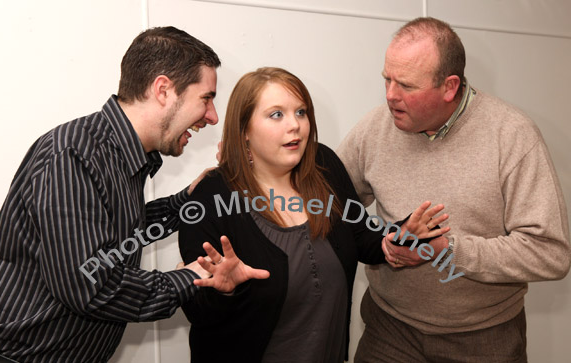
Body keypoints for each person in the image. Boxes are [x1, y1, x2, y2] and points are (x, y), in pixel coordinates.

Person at [0, 26, 269, 363]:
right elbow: (91, 286)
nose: (213, 117)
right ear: (163, 90)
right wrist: (195, 277)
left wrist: (191, 198)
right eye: (206, 98)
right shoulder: (72, 154)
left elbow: (120, 237)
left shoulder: (115, 156)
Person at [337, 17, 571, 363]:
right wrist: (385, 239)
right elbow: (331, 204)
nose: (390, 96)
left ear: (449, 87)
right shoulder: (374, 129)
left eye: (406, 85)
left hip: (484, 338)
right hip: (389, 331)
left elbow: (550, 253)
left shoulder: (513, 136)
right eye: (387, 79)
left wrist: (449, 250)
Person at [178, 67, 449, 363]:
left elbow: (360, 238)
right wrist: (226, 292)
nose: (295, 125)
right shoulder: (211, 196)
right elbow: (199, 309)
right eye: (276, 115)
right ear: (244, 129)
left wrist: (398, 234)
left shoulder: (324, 165)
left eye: (301, 112)